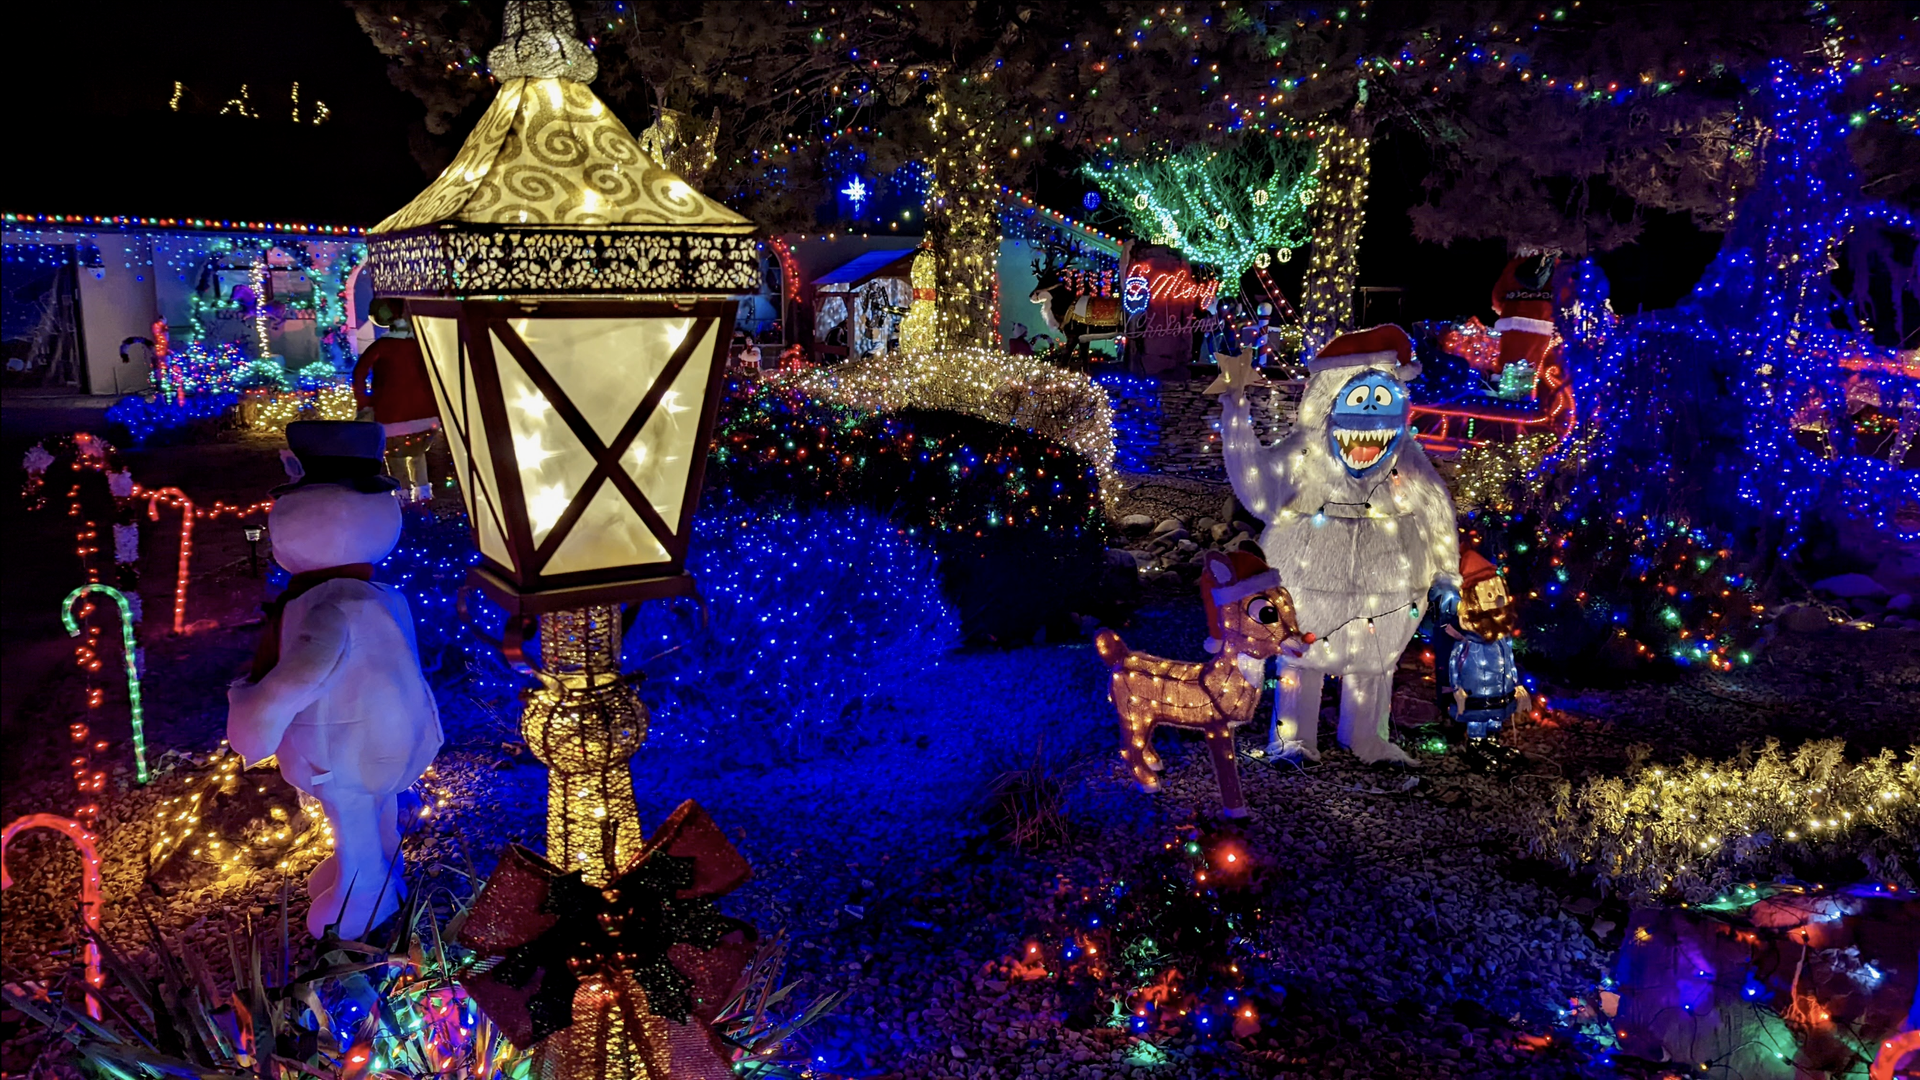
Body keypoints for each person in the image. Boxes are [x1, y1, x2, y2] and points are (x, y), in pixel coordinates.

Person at [1445, 549, 1532, 768]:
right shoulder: (1468, 642)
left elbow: (1509, 661)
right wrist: (1456, 688)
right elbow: (1454, 663)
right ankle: (1475, 745)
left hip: (1500, 691)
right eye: (1491, 595)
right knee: (1478, 717)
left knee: (1495, 716)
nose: (1499, 598)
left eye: (1499, 591)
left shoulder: (1503, 639)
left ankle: (1492, 742)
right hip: (1476, 692)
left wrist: (1516, 684)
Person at [351, 298, 438, 502]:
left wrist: (365, 403)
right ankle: (423, 496)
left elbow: (359, 374)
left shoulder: (382, 346)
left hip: (389, 412)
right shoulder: (419, 346)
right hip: (423, 412)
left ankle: (402, 498)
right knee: (417, 454)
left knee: (394, 456)